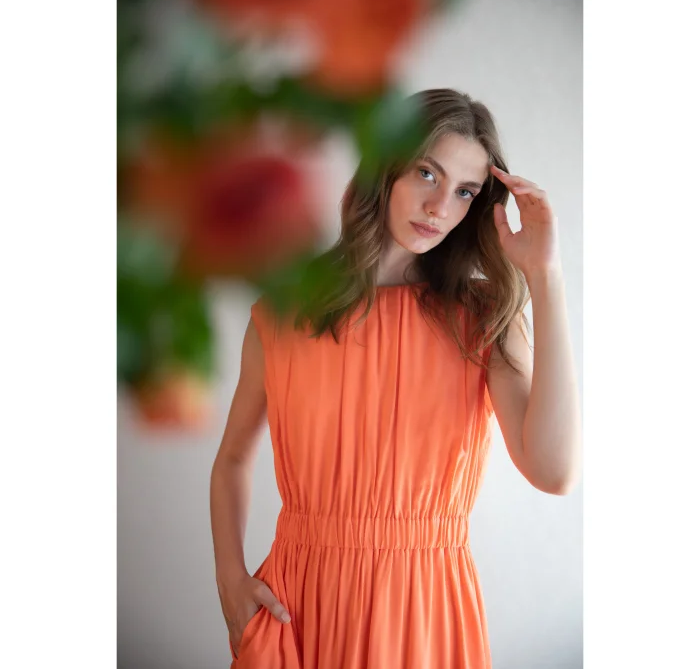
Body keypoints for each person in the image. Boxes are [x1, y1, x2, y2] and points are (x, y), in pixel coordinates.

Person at [210, 88, 581, 668]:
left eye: (464, 191)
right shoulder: (282, 314)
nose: (439, 207)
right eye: (426, 173)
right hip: (298, 604)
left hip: (425, 610)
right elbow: (233, 457)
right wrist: (230, 579)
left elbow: (554, 472)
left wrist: (545, 276)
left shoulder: (483, 318)